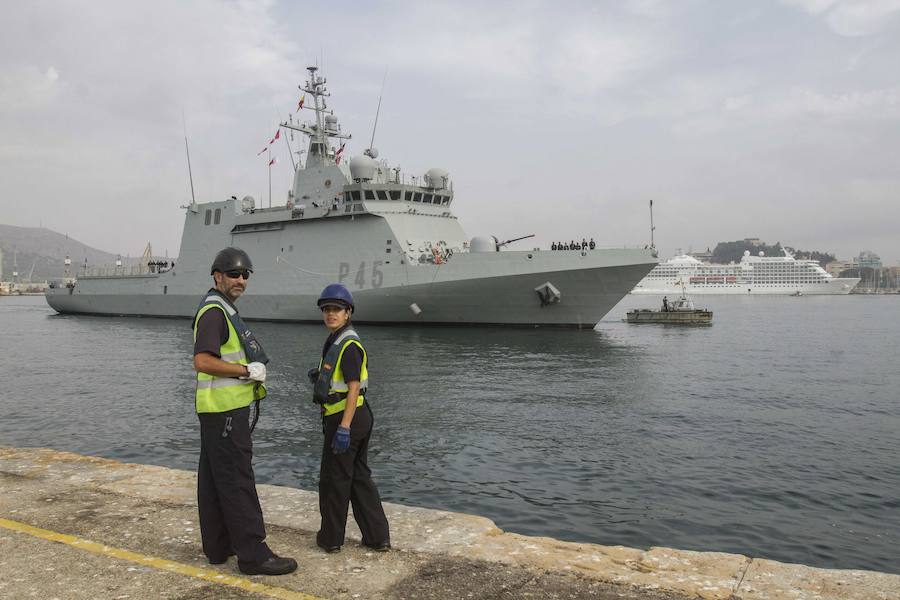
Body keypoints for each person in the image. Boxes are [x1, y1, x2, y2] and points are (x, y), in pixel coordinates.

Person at [192, 247, 297, 576]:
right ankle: (253, 555)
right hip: (226, 413)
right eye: (233, 274)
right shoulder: (214, 312)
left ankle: (218, 548)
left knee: (213, 481)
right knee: (238, 480)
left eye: (245, 275)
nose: (240, 280)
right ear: (217, 276)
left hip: (215, 413)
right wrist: (245, 370)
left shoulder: (221, 308)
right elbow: (203, 361)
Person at [307, 283, 390, 554]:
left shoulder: (348, 345)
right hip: (358, 417)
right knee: (358, 478)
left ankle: (330, 539)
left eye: (337, 310)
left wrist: (343, 426)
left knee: (335, 479)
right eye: (326, 310)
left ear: (348, 313)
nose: (330, 314)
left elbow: (353, 386)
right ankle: (377, 537)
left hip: (346, 419)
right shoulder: (340, 340)